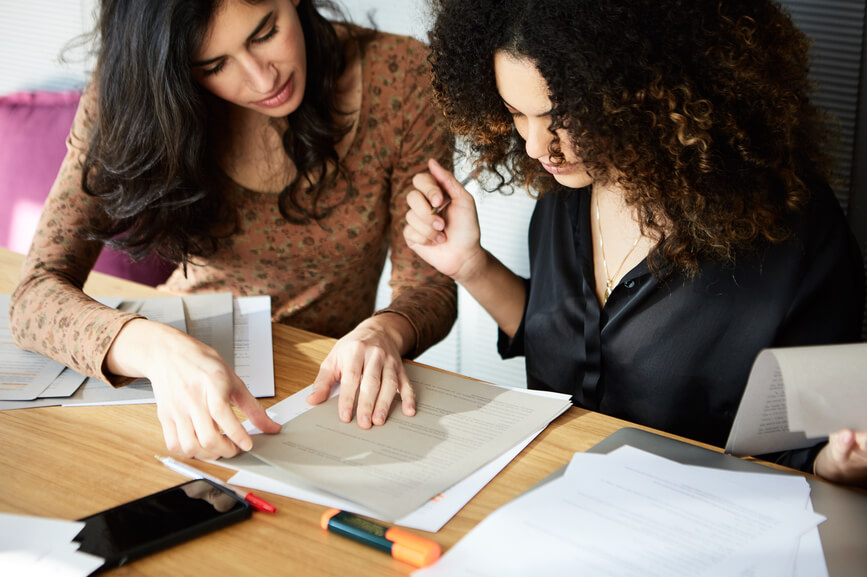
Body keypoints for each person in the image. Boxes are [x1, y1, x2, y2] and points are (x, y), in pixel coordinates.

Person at [403, 0, 867, 485]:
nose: (538, 147)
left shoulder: (793, 235)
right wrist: (471, 266)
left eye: (561, 115)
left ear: (646, 91)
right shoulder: (565, 196)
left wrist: (840, 464)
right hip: (548, 501)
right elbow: (560, 337)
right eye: (517, 113)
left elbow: (810, 448)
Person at [10, 0, 457, 460]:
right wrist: (154, 349)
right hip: (168, 387)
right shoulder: (131, 90)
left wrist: (384, 331)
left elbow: (431, 284)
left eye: (265, 33)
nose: (263, 79)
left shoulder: (402, 78)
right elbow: (33, 296)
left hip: (320, 397)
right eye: (215, 65)